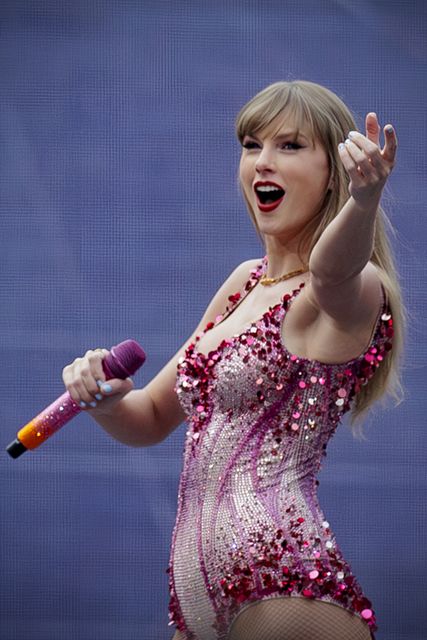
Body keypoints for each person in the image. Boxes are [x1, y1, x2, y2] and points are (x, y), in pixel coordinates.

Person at [62, 80, 403, 640]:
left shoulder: (352, 286)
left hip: (283, 584)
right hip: (196, 599)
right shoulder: (243, 284)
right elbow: (149, 417)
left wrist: (364, 201)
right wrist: (101, 397)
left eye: (290, 146)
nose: (263, 162)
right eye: (251, 144)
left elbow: (331, 270)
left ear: (336, 170)